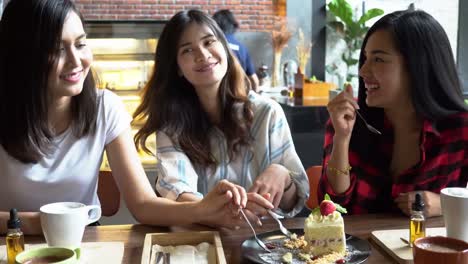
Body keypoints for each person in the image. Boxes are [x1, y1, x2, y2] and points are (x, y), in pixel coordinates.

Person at [0, 0, 254, 235]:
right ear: (22, 55)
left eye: (80, 44)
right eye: (57, 50)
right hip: (11, 245)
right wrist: (39, 224)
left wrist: (205, 208)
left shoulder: (104, 108)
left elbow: (143, 204)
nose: (76, 61)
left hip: (82, 243)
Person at [134, 9, 308, 224]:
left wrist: (283, 176)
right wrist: (212, 210)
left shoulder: (267, 113)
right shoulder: (172, 127)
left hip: (265, 245)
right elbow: (177, 190)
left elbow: (292, 204)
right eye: (187, 50)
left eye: (208, 42)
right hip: (203, 241)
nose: (202, 55)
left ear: (224, 48)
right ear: (177, 67)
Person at [319, 9, 468, 217]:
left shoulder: (459, 129)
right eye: (365, 58)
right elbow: (332, 206)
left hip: (426, 249)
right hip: (357, 248)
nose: (363, 71)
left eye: (378, 60)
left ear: (417, 66)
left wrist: (444, 204)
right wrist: (342, 139)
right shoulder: (349, 120)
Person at [212, 9, 259, 92]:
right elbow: (254, 79)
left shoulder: (212, 46)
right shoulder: (242, 48)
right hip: (239, 93)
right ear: (233, 26)